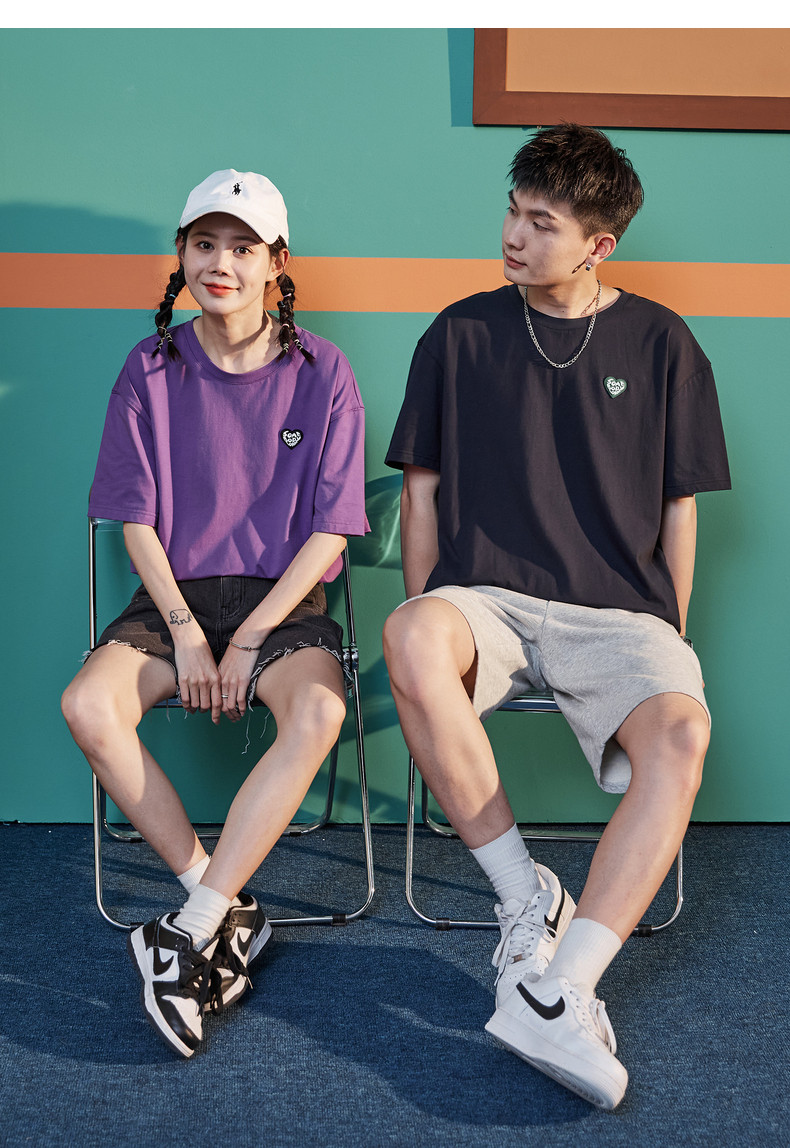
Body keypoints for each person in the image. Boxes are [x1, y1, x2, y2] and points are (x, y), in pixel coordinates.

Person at [383, 124, 730, 1110]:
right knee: (410, 632)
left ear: (597, 245)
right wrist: (426, 604)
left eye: (542, 223)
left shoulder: (663, 342)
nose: (514, 235)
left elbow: (679, 505)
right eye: (512, 212)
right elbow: (420, 490)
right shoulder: (457, 333)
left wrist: (670, 633)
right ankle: (521, 895)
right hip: (485, 600)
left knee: (684, 732)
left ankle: (560, 984)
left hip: (617, 611)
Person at [61, 169, 369, 1058]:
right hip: (175, 599)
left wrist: (254, 635)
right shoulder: (149, 366)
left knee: (319, 712)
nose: (220, 264)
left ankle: (187, 929)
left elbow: (333, 529)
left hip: (283, 601)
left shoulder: (323, 370)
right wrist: (190, 634)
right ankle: (220, 904)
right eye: (204, 244)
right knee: (87, 705)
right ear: (183, 254)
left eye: (242, 248)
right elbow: (135, 520)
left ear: (277, 262)